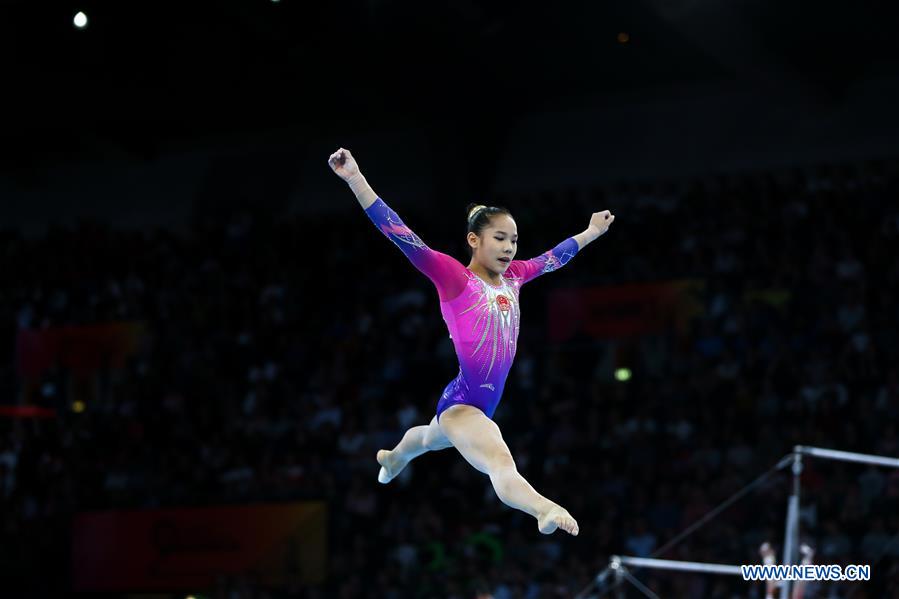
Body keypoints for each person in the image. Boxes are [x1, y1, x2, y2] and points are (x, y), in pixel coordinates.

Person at [328, 148, 615, 535]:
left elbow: (553, 257)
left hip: (467, 397)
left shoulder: (515, 275)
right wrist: (355, 177)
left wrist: (592, 232)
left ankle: (394, 457)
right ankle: (544, 508)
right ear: (473, 240)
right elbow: (397, 231)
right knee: (499, 459)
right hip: (465, 406)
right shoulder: (453, 276)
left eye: (513, 239)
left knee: (429, 439)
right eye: (499, 238)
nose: (509, 247)